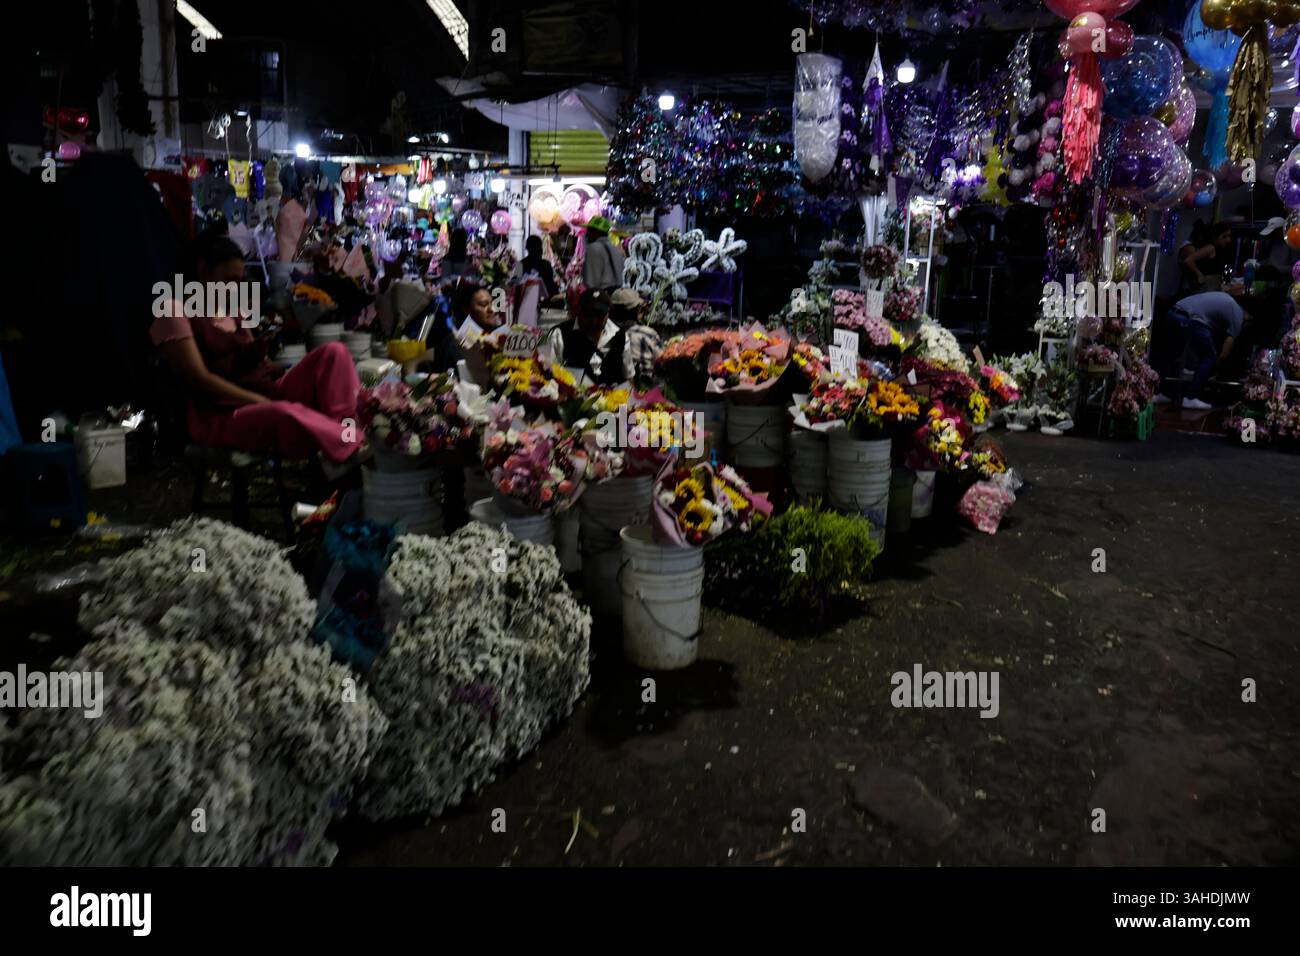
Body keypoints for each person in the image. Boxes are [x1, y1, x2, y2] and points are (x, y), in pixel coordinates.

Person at [151, 234, 363, 467]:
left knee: (335, 353)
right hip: (220, 414)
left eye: (239, 280)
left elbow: (250, 360)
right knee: (286, 413)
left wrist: (269, 356)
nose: (235, 287)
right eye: (229, 279)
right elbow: (199, 379)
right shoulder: (172, 310)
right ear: (203, 271)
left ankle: (347, 436)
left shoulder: (230, 307)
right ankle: (351, 449)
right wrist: (255, 400)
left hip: (262, 390)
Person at [1155, 290, 1251, 410]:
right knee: (1209, 356)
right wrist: (1214, 366)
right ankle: (1191, 398)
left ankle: (1161, 394)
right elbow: (1226, 350)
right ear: (1247, 318)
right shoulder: (1239, 316)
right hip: (1191, 318)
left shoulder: (1229, 303)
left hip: (1173, 312)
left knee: (1172, 354)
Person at [404, 282, 502, 376]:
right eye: (483, 305)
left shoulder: (500, 339)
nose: (492, 309)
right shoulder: (454, 344)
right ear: (466, 309)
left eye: (492, 304)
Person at [548, 288, 625, 386]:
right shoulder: (560, 334)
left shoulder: (619, 335)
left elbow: (628, 375)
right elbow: (548, 371)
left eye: (600, 316)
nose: (594, 321)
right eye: (588, 315)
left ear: (607, 314)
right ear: (579, 311)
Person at [609, 287, 662, 387]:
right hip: (646, 388)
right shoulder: (646, 333)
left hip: (613, 389)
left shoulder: (603, 332)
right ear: (636, 310)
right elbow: (662, 361)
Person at [1178, 221, 1231, 293]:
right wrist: (1199, 274)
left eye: (1229, 236)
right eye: (1224, 236)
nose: (1228, 240)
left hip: (1213, 288)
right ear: (1216, 236)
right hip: (1205, 289)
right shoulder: (1210, 248)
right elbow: (1188, 260)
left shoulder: (1219, 250)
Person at [582, 216, 625, 294]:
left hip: (601, 296)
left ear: (595, 232)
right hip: (618, 295)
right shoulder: (616, 250)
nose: (587, 235)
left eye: (589, 231)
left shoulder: (593, 248)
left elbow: (591, 281)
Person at [519, 235, 558, 299]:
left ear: (527, 248)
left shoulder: (520, 264)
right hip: (543, 303)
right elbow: (551, 287)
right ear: (540, 248)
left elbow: (513, 286)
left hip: (524, 302)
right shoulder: (546, 265)